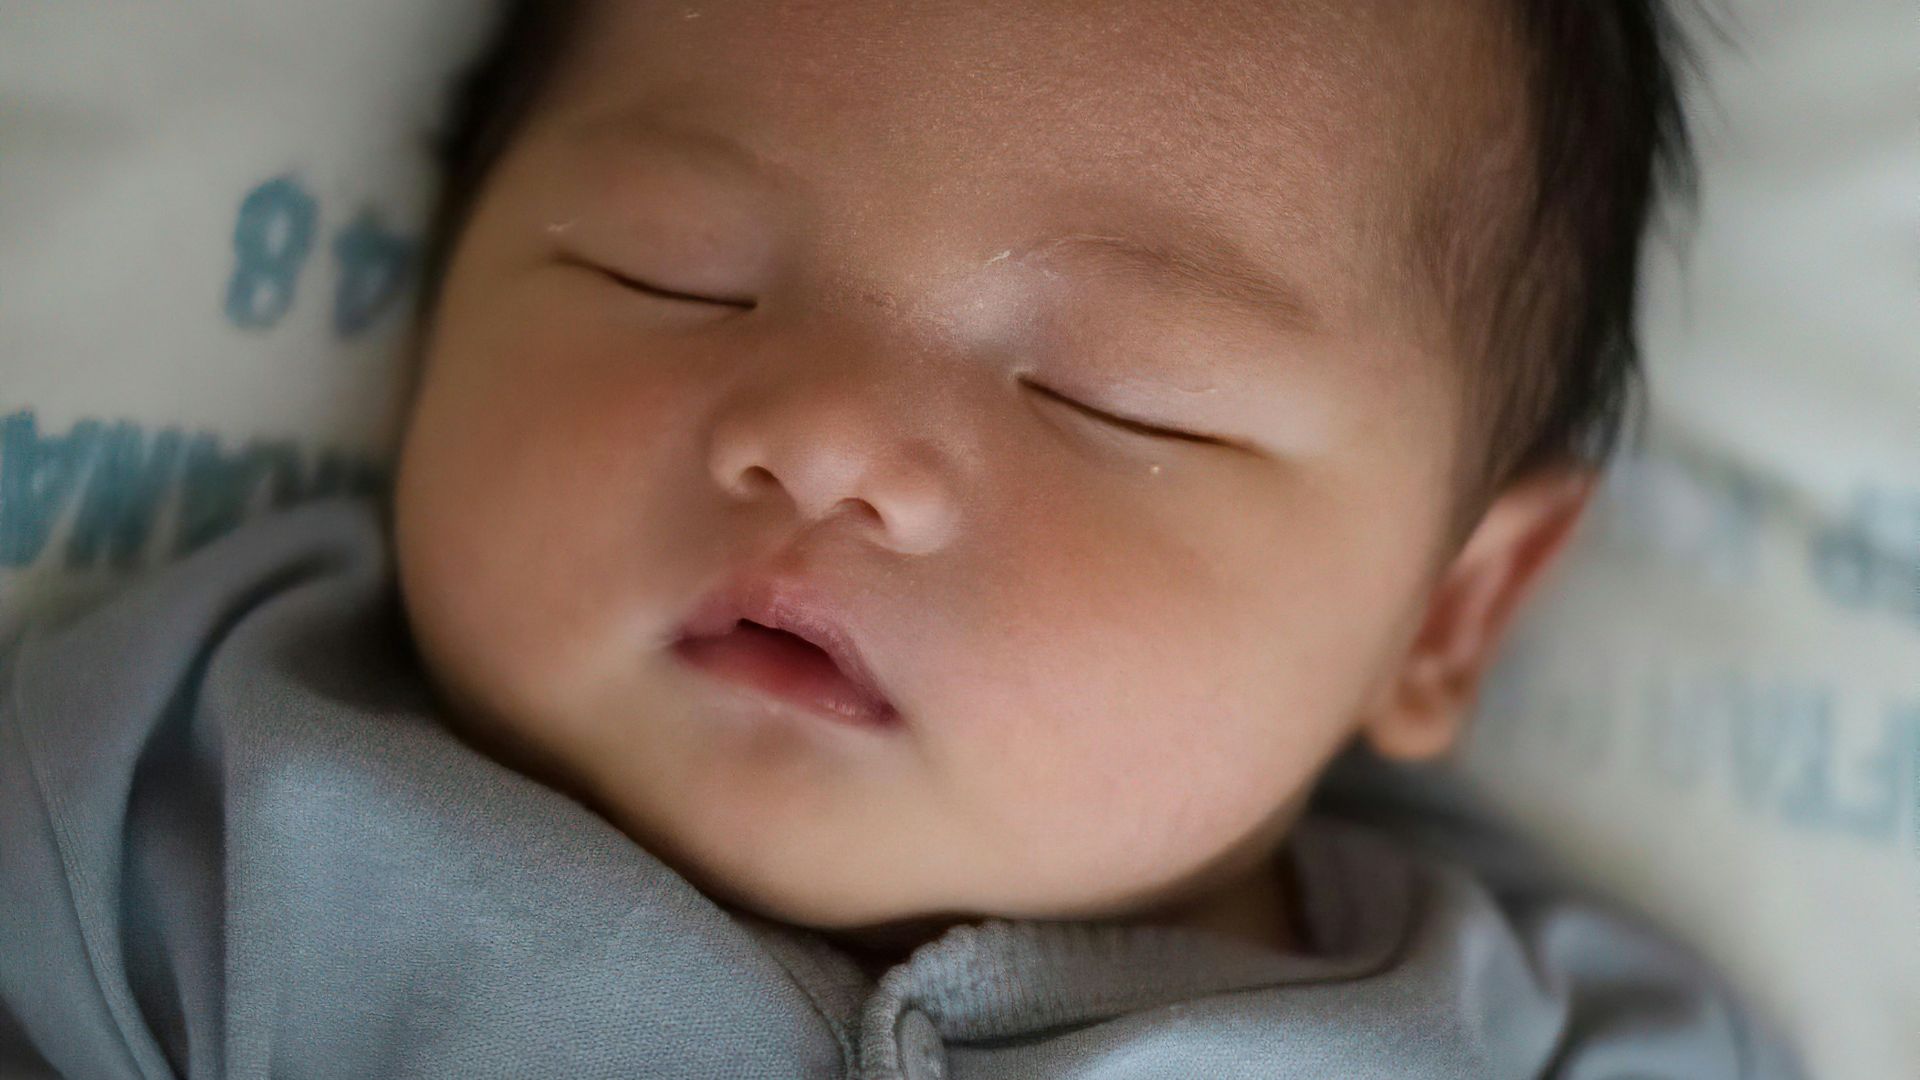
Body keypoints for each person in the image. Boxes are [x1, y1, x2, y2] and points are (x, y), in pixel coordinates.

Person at [0, 1, 1804, 1076]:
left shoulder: (1542, 1047)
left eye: (1117, 397)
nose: (829, 443)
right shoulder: (195, 830)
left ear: (1449, 615)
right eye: (673, 273)